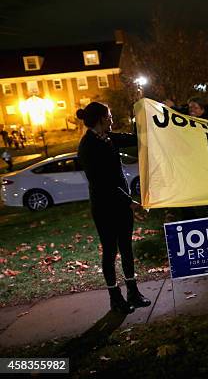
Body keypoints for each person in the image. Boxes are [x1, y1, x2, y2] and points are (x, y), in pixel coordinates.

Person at [76, 102, 150, 314]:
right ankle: (115, 298)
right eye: (109, 116)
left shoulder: (108, 138)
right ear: (100, 119)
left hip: (122, 204)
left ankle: (133, 292)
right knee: (110, 251)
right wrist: (130, 202)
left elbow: (135, 138)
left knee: (126, 248)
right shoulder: (88, 146)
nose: (112, 119)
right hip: (104, 207)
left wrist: (141, 114)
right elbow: (103, 183)